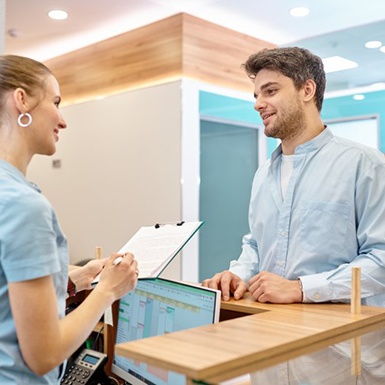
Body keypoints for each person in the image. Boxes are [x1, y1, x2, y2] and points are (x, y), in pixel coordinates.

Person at [202, 47, 385, 307]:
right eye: (256, 95)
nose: (257, 104)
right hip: (273, 329)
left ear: (307, 91)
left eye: (271, 91)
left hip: (341, 342)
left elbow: (381, 259)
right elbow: (255, 244)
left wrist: (302, 289)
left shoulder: (366, 165)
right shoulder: (264, 173)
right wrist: (238, 274)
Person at [0, 54, 139, 384]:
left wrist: (73, 278)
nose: (63, 121)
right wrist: (107, 291)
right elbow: (44, 355)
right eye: (56, 102)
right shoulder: (24, 206)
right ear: (21, 100)